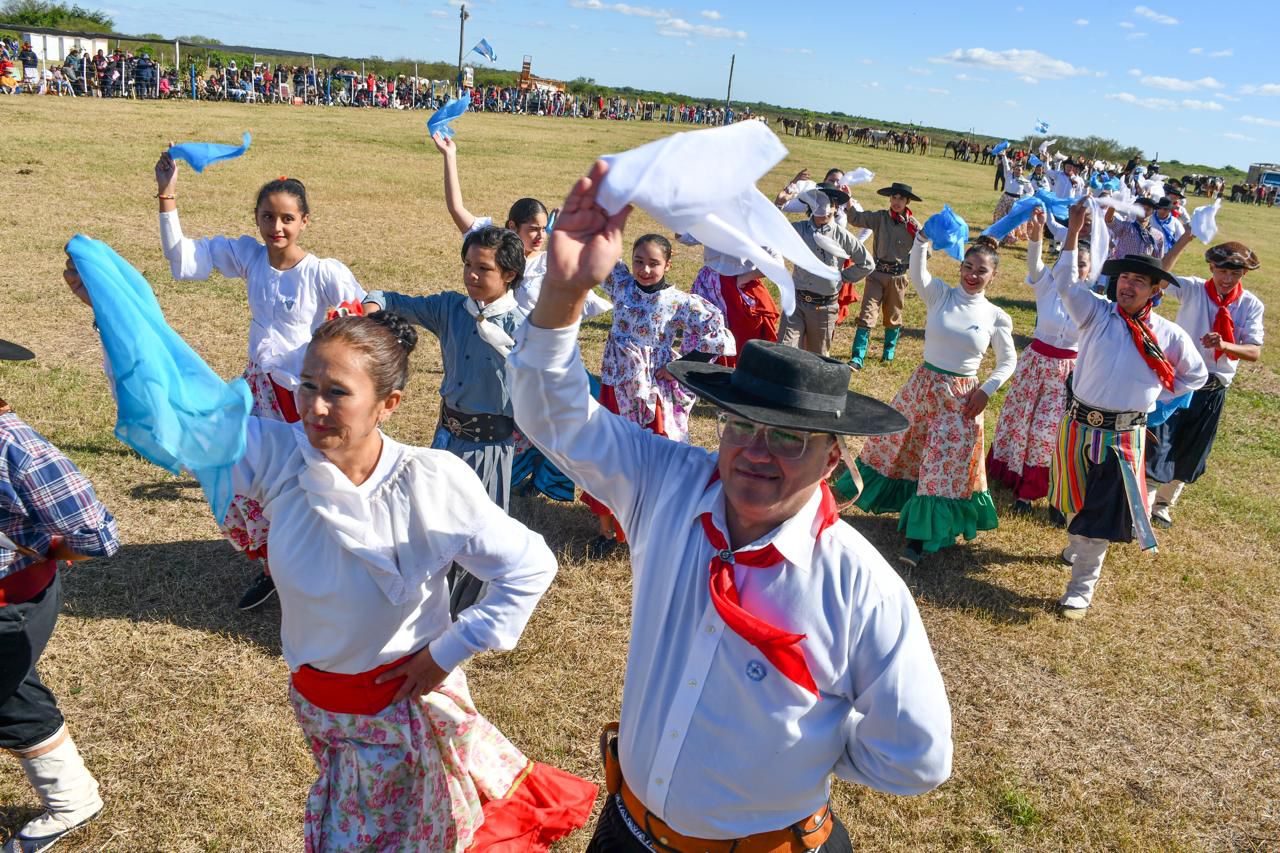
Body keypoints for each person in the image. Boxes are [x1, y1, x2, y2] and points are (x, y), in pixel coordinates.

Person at [69, 250, 597, 849]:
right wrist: (109, 317)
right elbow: (182, 419)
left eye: (337, 393)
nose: (315, 408)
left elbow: (531, 566)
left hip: (401, 711)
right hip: (322, 709)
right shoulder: (279, 455)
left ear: (388, 404)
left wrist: (448, 650)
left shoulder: (429, 482)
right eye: (308, 386)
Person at [508, 157, 952, 852]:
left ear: (833, 458)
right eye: (741, 424)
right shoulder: (670, 485)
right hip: (626, 830)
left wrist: (804, 746)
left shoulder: (860, 586)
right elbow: (552, 415)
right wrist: (564, 291)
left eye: (788, 437)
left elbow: (919, 755)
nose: (755, 450)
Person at [154, 149, 366, 611]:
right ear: (256, 218)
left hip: (305, 399)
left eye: (288, 218)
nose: (277, 228)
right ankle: (274, 568)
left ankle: (328, 574)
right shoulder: (249, 256)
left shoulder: (321, 271)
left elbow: (365, 312)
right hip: (257, 393)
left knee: (313, 486)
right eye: (268, 217)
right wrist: (167, 195)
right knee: (243, 476)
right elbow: (184, 261)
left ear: (305, 221)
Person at [428, 130, 612, 503]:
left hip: (534, 362)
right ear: (512, 229)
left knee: (570, 415)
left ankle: (547, 482)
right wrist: (450, 156)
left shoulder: (549, 264)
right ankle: (506, 478)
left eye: (544, 230)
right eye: (533, 230)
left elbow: (581, 300)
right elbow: (456, 208)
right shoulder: (493, 246)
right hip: (500, 366)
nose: (540, 237)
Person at [1048, 205, 1207, 619]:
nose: (1127, 286)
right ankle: (1078, 541)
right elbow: (1064, 282)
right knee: (1075, 504)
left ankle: (1080, 589)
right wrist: (1073, 234)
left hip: (1123, 437)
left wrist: (1157, 407)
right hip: (1078, 427)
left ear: (1155, 290)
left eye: (1138, 281)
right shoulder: (1096, 313)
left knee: (1100, 514)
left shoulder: (1170, 336)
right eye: (1123, 278)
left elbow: (1196, 375)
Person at [363, 226, 528, 616]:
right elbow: (390, 300)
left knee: (476, 537)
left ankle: (461, 618)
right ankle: (422, 610)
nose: (471, 275)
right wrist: (372, 307)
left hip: (490, 448)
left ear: (508, 275)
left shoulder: (524, 330)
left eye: (483, 268)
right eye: (468, 265)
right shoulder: (450, 309)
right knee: (430, 524)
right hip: (446, 440)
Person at [1, 337, 120, 853]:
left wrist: (44, 545)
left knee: (11, 700)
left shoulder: (19, 450)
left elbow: (98, 536)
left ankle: (71, 798)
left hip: (10, 605)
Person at [849, 234, 1016, 566]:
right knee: (904, 450)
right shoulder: (940, 294)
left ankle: (917, 539)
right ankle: (898, 508)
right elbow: (917, 273)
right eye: (967, 267)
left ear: (993, 275)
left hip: (962, 398)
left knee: (943, 464)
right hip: (922, 387)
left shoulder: (996, 316)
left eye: (980, 270)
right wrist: (922, 244)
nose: (971, 274)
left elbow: (1007, 361)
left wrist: (986, 391)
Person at [579, 234, 735, 558]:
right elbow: (597, 254)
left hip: (650, 393)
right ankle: (607, 530)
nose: (645, 269)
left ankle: (649, 529)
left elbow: (716, 330)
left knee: (652, 460)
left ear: (668, 264)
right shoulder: (621, 284)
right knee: (609, 454)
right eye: (639, 261)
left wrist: (684, 365)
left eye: (654, 263)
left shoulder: (677, 301)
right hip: (615, 386)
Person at [1145, 234, 1265, 528]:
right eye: (1222, 271)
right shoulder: (1193, 289)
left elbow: (1254, 351)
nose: (1227, 278)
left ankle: (1163, 504)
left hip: (1213, 388)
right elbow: (1160, 278)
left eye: (1235, 273)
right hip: (1180, 383)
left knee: (1191, 448)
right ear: (1211, 267)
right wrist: (1186, 238)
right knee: (1159, 441)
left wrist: (1225, 345)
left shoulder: (1250, 305)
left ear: (1244, 274)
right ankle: (1142, 505)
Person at [987, 207, 1085, 516]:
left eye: (1084, 265)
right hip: (1037, 364)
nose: (1077, 269)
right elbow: (1033, 260)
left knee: (1051, 433)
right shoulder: (1048, 288)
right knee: (1021, 424)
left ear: (1091, 270)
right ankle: (1019, 486)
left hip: (1068, 374)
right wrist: (1037, 233)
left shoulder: (1093, 303)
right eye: (1073, 263)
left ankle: (1050, 491)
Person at [778, 184, 873, 357]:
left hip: (824, 309)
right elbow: (774, 232)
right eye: (820, 203)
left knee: (817, 357)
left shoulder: (843, 237)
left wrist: (841, 277)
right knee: (785, 351)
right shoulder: (800, 230)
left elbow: (867, 264)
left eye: (830, 204)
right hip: (796, 303)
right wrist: (779, 204)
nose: (826, 209)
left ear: (836, 207)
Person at [846, 182, 923, 369]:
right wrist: (848, 201)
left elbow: (924, 252)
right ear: (889, 198)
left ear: (907, 201)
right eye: (894, 197)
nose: (897, 202)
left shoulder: (913, 226)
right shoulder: (880, 218)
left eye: (901, 199)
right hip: (876, 274)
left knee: (893, 316)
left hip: (898, 278)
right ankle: (858, 356)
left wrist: (913, 255)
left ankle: (888, 352)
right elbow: (856, 218)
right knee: (866, 314)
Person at [684, 235, 779, 367]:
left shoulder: (753, 225)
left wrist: (747, 276)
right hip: (710, 286)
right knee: (708, 331)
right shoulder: (712, 218)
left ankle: (739, 373)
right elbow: (686, 237)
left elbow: (776, 262)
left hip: (737, 289)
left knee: (740, 337)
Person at [991, 152, 1033, 246]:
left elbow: (1031, 191)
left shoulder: (1024, 181)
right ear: (1013, 169)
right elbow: (1006, 165)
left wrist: (1025, 198)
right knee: (999, 215)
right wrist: (1004, 156)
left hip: (1016, 201)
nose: (1018, 171)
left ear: (1022, 171)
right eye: (1016, 169)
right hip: (1005, 198)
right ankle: (998, 235)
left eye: (1019, 170)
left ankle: (1009, 238)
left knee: (1011, 219)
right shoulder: (1008, 175)